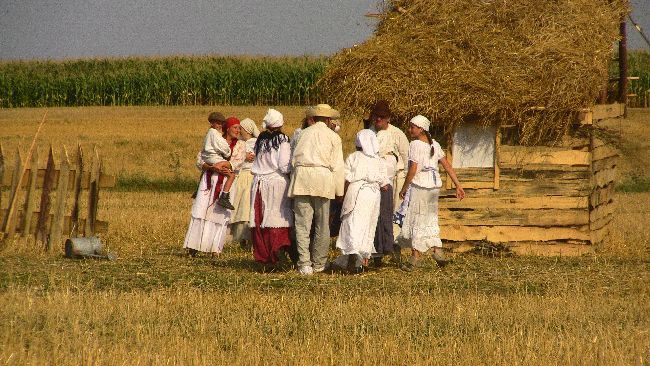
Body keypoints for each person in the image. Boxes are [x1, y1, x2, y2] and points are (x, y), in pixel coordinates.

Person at [396, 115, 465, 271]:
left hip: (421, 187)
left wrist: (404, 188)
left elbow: (413, 169)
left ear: (421, 129)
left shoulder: (415, 144)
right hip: (433, 187)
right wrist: (458, 185)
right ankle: (437, 251)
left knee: (416, 219)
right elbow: (447, 165)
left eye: (412, 127)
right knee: (429, 219)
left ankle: (415, 258)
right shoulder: (435, 144)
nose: (410, 130)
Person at [288, 104, 345, 275]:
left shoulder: (301, 134)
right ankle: (319, 263)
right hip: (322, 178)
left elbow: (292, 161)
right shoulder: (333, 137)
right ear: (328, 120)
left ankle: (304, 263)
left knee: (302, 224)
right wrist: (339, 191)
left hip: (302, 177)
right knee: (322, 224)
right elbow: (337, 165)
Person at [183, 115, 245, 256]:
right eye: (235, 128)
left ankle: (214, 248)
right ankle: (194, 246)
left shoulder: (240, 145)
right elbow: (201, 159)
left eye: (239, 128)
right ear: (227, 128)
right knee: (202, 211)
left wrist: (224, 165)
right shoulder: (215, 139)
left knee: (220, 214)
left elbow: (238, 161)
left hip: (225, 182)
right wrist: (212, 168)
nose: (238, 131)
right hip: (209, 180)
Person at [331, 129, 389, 273]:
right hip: (373, 195)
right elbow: (386, 186)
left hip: (357, 191)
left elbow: (345, 178)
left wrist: (341, 195)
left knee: (352, 222)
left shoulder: (354, 157)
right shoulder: (379, 160)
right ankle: (361, 259)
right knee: (367, 225)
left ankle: (352, 257)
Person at [250, 109, 293, 269]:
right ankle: (277, 253)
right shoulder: (282, 139)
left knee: (260, 219)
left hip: (259, 183)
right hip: (276, 182)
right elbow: (283, 165)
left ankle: (264, 257)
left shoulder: (261, 138)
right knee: (277, 218)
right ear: (280, 123)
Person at [366, 100, 406, 266]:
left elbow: (407, 156)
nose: (378, 120)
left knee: (393, 214)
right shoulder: (369, 133)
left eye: (382, 117)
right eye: (376, 117)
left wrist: (405, 185)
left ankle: (394, 248)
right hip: (375, 180)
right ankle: (377, 253)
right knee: (375, 215)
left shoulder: (397, 133)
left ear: (388, 118)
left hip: (395, 178)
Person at [229, 118, 259, 248]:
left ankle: (245, 237)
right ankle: (240, 237)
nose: (238, 130)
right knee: (241, 206)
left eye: (240, 128)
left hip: (248, 176)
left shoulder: (253, 143)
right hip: (240, 176)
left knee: (245, 207)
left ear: (246, 130)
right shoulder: (241, 143)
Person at [200, 112, 236, 210]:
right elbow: (222, 147)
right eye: (217, 123)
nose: (220, 125)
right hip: (213, 158)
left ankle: (199, 189)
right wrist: (228, 152)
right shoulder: (214, 133)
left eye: (221, 123)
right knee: (231, 175)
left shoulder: (210, 133)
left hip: (209, 158)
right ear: (212, 123)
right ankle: (224, 196)